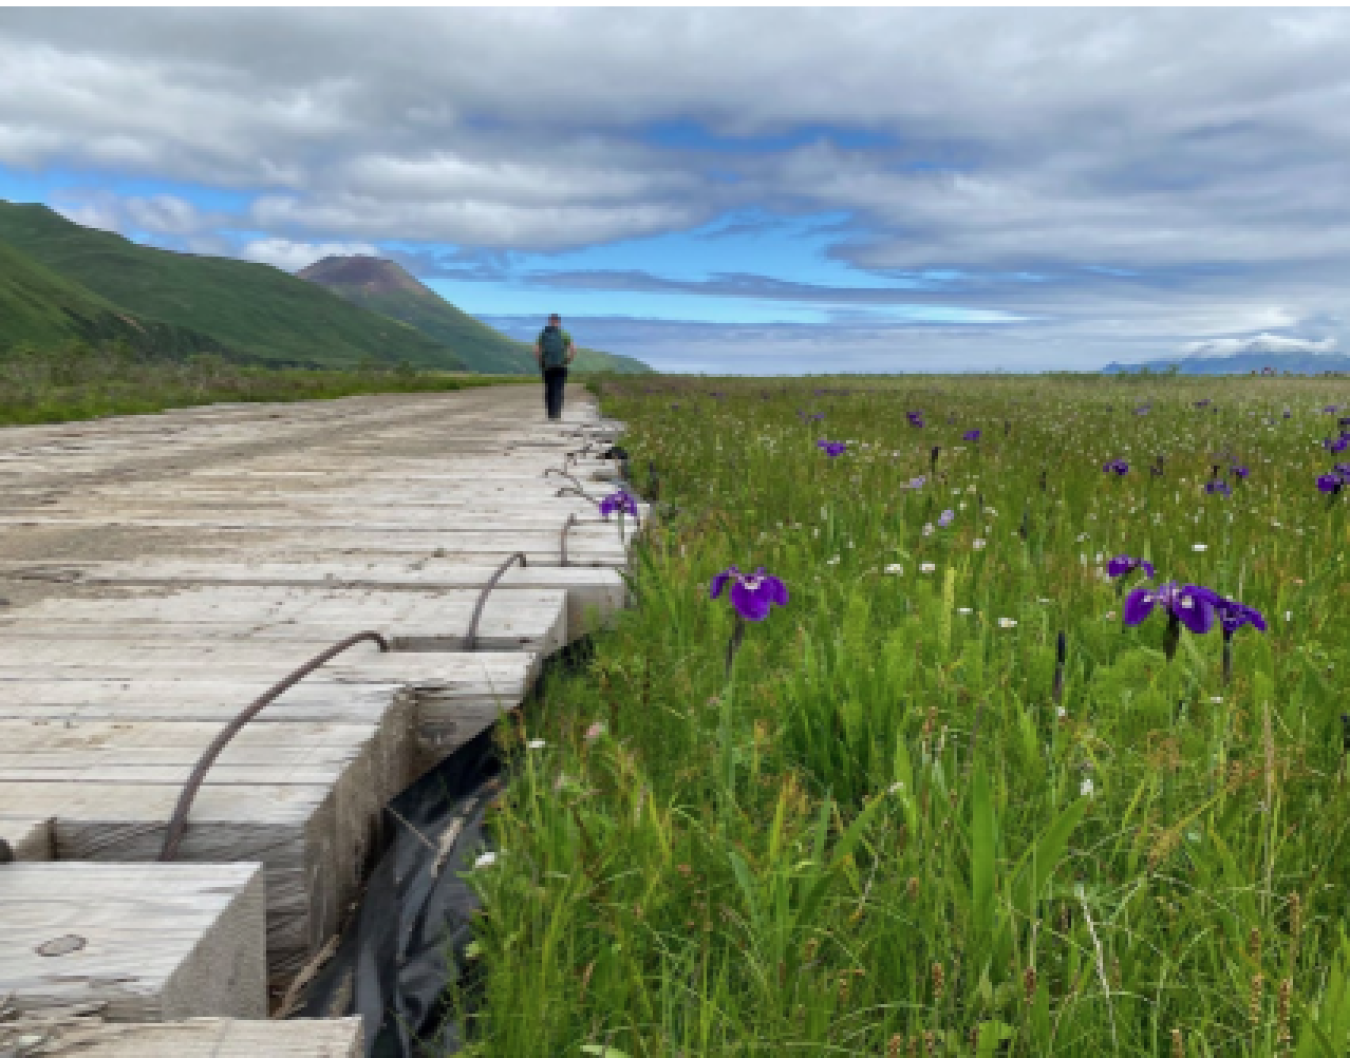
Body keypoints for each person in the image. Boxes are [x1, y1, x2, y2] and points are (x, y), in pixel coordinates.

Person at [534, 313, 575, 421]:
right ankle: (557, 413)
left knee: (549, 389)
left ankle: (550, 414)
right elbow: (573, 350)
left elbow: (536, 350)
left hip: (547, 366)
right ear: (559, 322)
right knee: (559, 389)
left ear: (549, 321)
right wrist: (568, 360)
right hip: (561, 366)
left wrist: (541, 362)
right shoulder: (565, 333)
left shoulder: (543, 334)